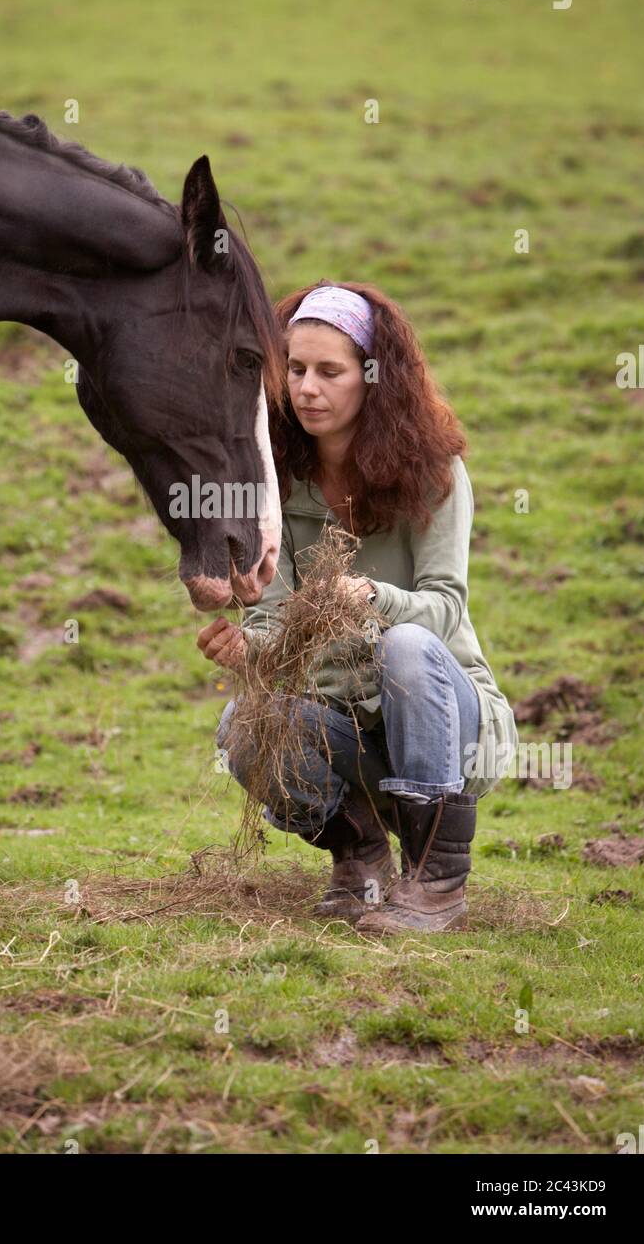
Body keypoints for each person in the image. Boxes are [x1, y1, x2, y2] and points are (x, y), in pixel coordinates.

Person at [196, 282, 518, 934]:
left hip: (452, 725)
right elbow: (275, 622)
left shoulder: (435, 473)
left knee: (403, 645)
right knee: (243, 721)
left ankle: (434, 878)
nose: (308, 388)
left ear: (374, 379)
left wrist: (374, 598)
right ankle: (360, 853)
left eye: (329, 372)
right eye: (295, 369)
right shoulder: (278, 485)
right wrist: (246, 647)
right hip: (346, 727)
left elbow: (446, 609)